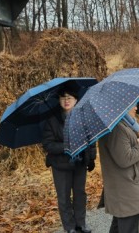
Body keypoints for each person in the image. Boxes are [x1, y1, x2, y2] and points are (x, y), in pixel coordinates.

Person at [42, 86, 95, 233]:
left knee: (80, 194)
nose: (66, 100)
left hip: (79, 163)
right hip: (60, 165)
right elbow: (48, 144)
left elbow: (91, 139)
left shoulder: (83, 117)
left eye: (69, 97)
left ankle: (81, 224)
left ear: (76, 100)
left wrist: (91, 158)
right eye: (63, 97)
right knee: (64, 197)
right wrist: (66, 146)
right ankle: (69, 227)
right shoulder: (52, 120)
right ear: (59, 100)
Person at [98, 104, 139, 233]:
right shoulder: (117, 127)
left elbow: (122, 149)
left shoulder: (121, 123)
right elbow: (125, 159)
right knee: (128, 227)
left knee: (119, 225)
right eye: (133, 105)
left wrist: (136, 143)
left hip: (124, 188)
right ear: (122, 106)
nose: (136, 108)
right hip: (126, 190)